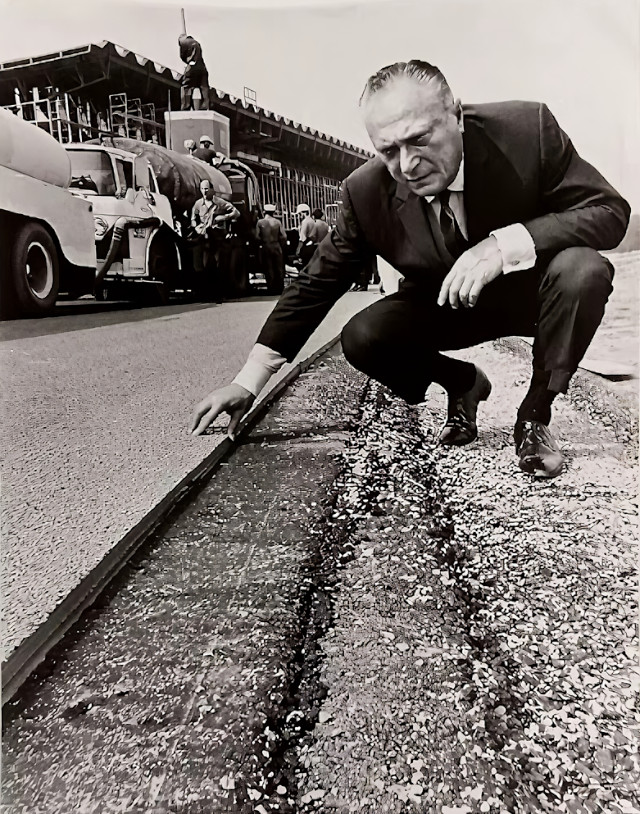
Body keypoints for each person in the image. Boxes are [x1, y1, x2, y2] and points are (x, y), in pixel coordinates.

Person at [190, 60, 630, 480]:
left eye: (419, 139)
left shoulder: (526, 131)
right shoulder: (366, 191)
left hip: (532, 296)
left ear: (456, 116)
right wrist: (247, 382)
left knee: (585, 269)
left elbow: (608, 211)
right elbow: (316, 283)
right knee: (361, 336)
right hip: (447, 304)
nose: (407, 165)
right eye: (388, 150)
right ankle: (464, 383)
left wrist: (505, 244)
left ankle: (535, 416)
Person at [190, 179, 240, 302]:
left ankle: (220, 294)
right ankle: (207, 294)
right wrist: (196, 227)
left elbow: (236, 213)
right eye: (202, 189)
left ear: (212, 189)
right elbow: (193, 219)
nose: (204, 192)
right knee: (205, 266)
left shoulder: (220, 203)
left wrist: (224, 217)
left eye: (206, 189)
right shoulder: (197, 204)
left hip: (218, 238)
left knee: (220, 266)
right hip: (204, 238)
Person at [256, 204, 287, 295]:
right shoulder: (277, 222)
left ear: (264, 212)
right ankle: (280, 288)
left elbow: (257, 237)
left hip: (266, 246)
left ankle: (271, 288)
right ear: (273, 212)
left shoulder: (260, 223)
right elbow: (284, 236)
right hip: (276, 246)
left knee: (269, 267)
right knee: (279, 267)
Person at [178, 34, 210, 111]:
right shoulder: (197, 43)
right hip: (202, 67)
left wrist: (188, 61)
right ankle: (205, 103)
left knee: (186, 85)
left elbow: (182, 56)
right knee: (203, 85)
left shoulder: (183, 42)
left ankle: (186, 104)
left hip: (192, 66)